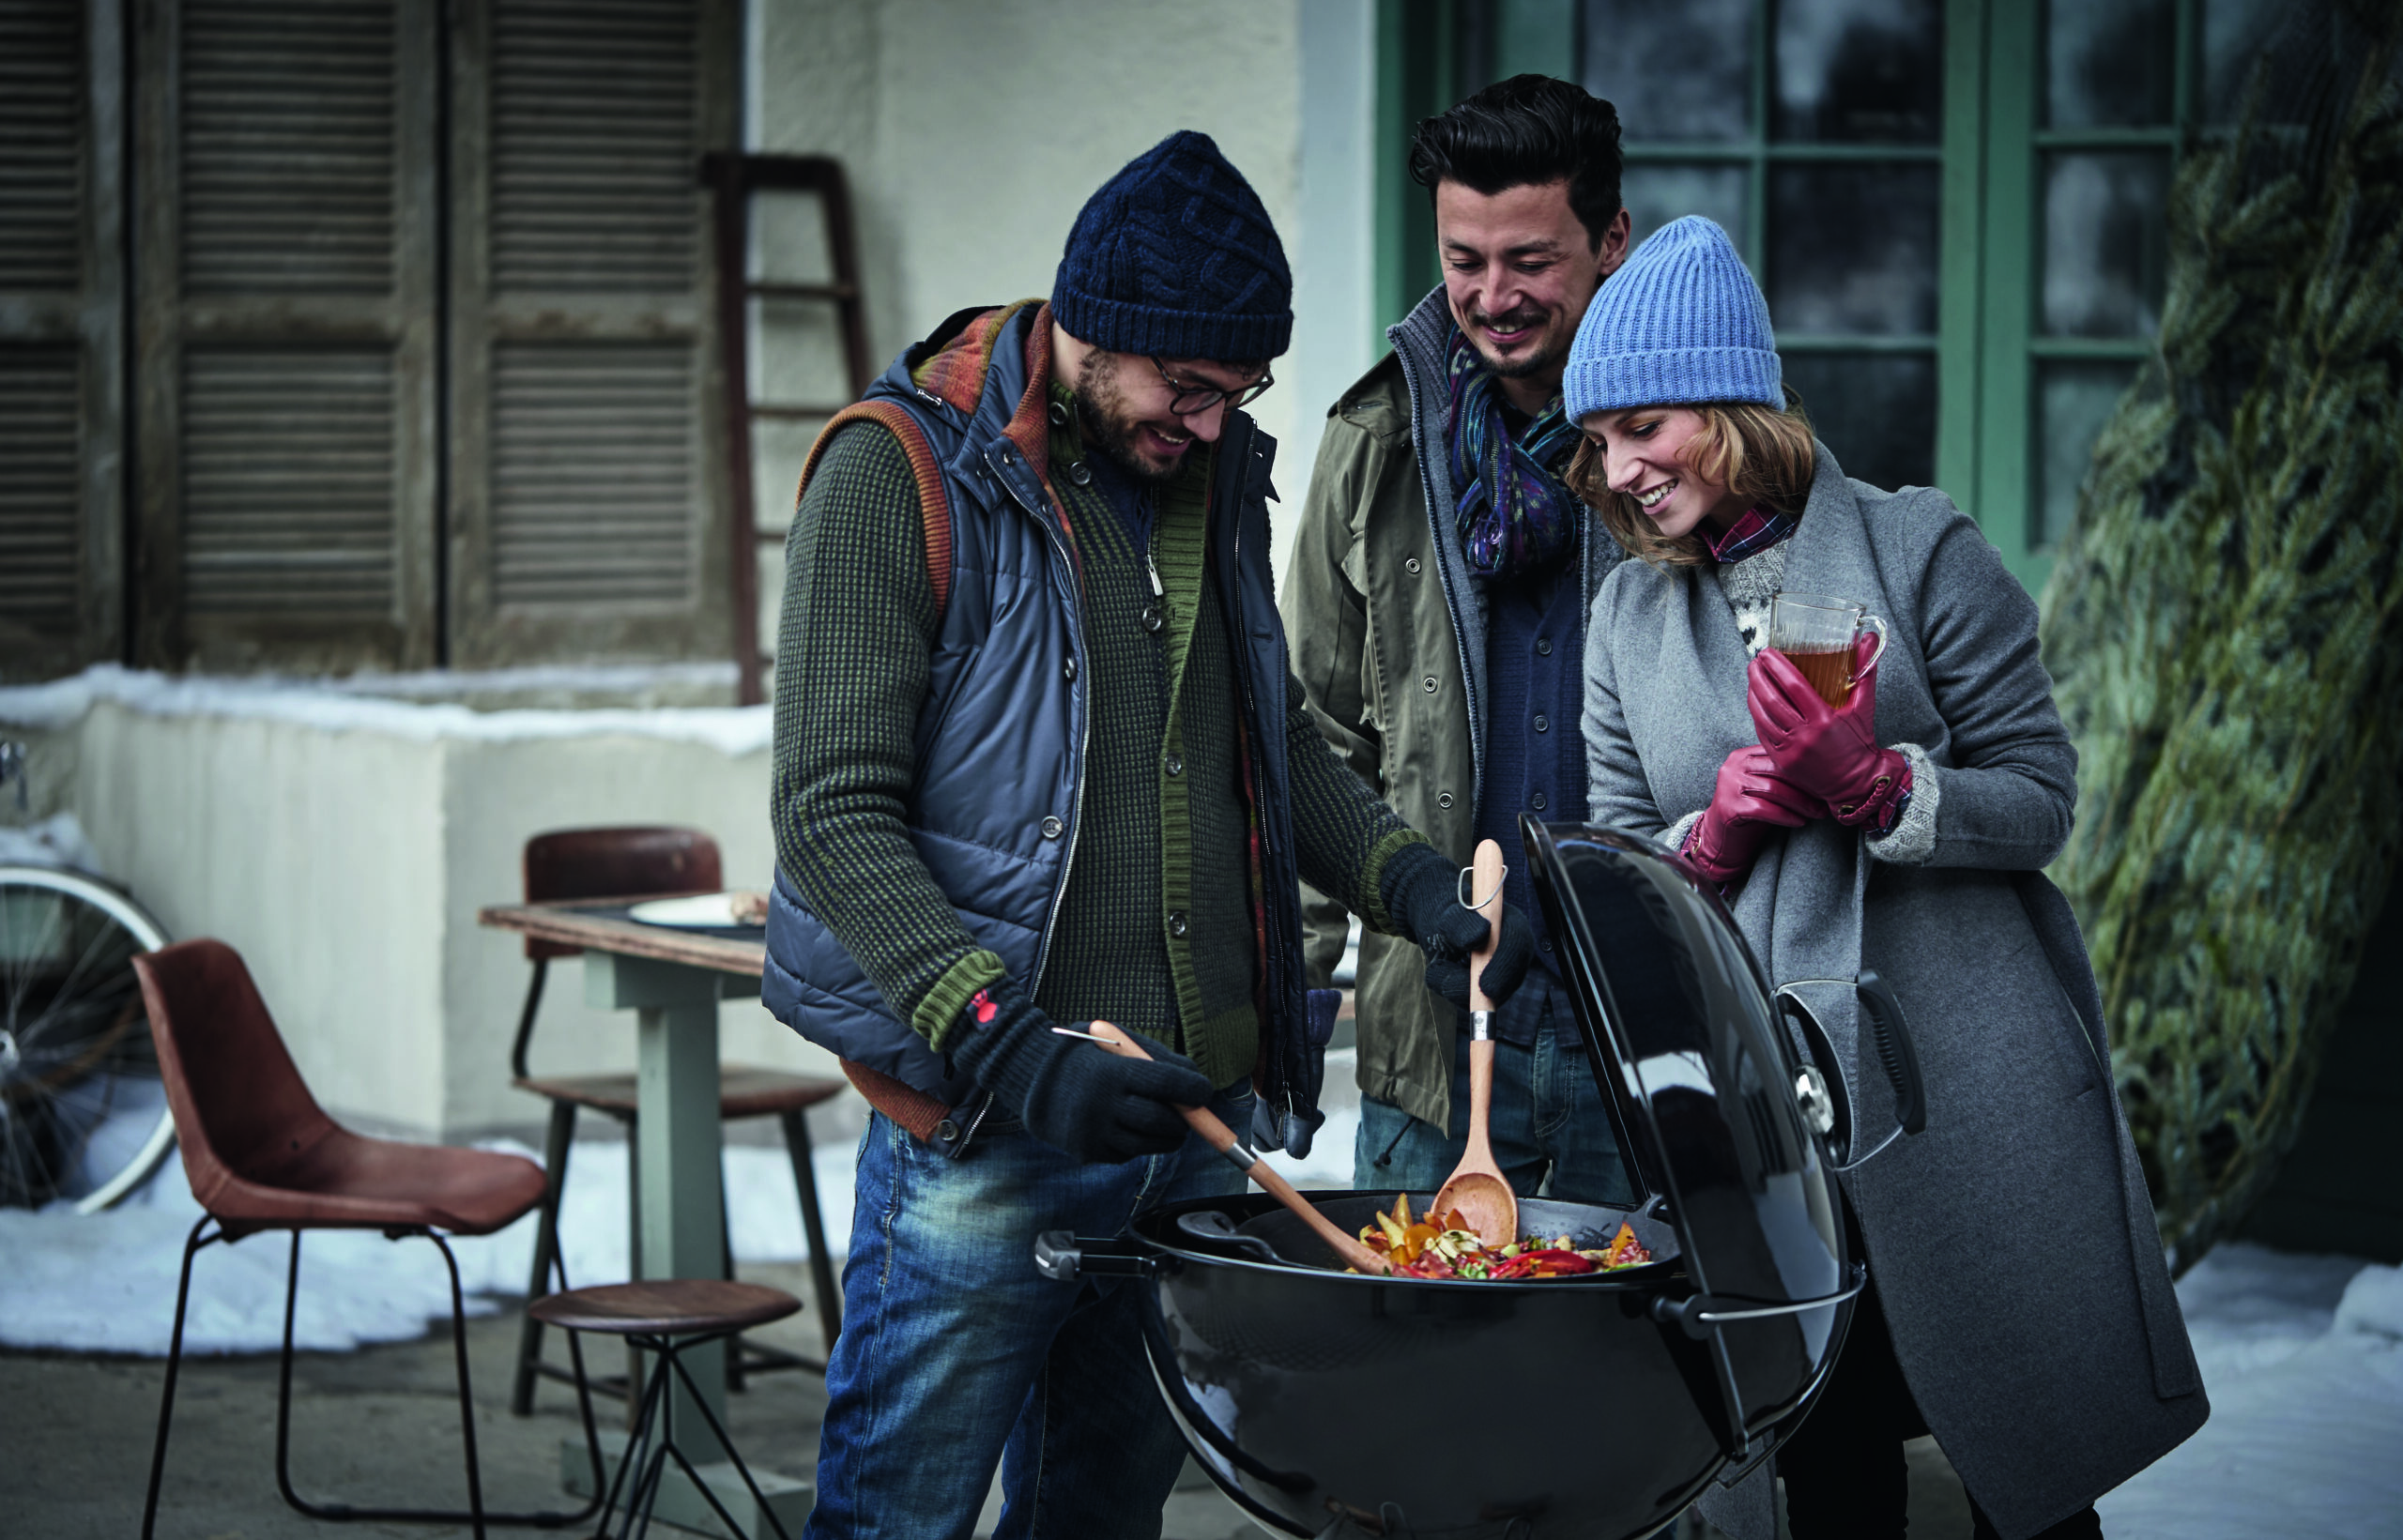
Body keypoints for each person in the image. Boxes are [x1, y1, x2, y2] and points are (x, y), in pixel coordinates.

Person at [760, 131, 1532, 1540]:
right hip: (987, 1127)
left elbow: (1275, 735)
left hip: (1191, 1136)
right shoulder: (896, 477)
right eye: (1186, 387)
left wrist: (1407, 876)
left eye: (1238, 392)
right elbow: (829, 814)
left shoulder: (1210, 476)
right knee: (896, 1524)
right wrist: (996, 1034)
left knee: (1103, 1515)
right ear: (1089, 327)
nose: (1211, 419)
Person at [1563, 216, 2208, 1540]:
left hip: (1967, 1085)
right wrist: (1721, 833)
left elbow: (2042, 797)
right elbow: (1624, 862)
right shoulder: (1627, 615)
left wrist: (1882, 787)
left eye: (1648, 426)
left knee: (2025, 1464)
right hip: (1773, 1111)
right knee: (1828, 1452)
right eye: (1601, 441)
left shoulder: (1922, 552)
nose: (1620, 471)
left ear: (1737, 407)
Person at [1284, 75, 1635, 1204]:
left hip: (1645, 1045)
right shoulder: (1372, 441)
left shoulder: (1690, 448)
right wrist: (1294, 1004)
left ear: (1610, 241)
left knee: (1635, 1378)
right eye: (1463, 259)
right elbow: (1310, 742)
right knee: (1420, 1378)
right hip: (1426, 1053)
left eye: (1529, 260)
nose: (1493, 295)